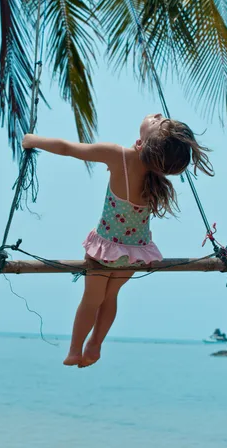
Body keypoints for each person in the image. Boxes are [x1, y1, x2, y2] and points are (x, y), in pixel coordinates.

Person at [22, 114, 213, 367]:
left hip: (105, 250)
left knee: (91, 300)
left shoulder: (118, 156)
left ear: (141, 144)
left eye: (158, 122)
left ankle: (75, 350)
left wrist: (33, 140)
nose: (156, 116)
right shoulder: (156, 174)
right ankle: (94, 346)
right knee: (110, 298)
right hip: (136, 252)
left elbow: (68, 149)